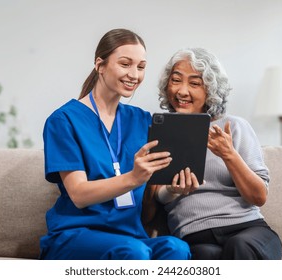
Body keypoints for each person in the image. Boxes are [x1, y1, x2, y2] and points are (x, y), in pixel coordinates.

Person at [39, 28, 191, 260]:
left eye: (141, 67)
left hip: (130, 235)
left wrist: (171, 189)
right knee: (133, 252)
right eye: (125, 64)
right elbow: (78, 194)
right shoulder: (63, 120)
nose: (134, 74)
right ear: (100, 65)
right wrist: (132, 178)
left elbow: (154, 191)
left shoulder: (142, 120)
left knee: (177, 248)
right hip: (76, 234)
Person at [149, 47, 282, 260]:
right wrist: (173, 190)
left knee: (240, 246)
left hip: (247, 229)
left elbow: (259, 196)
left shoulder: (235, 127)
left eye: (194, 83)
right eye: (176, 80)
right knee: (205, 256)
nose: (182, 91)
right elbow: (157, 198)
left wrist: (229, 154)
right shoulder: (162, 131)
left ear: (210, 90)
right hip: (195, 235)